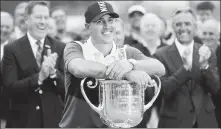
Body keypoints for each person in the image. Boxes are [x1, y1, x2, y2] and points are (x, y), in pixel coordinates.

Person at [59, 1, 165, 128]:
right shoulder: (76, 47)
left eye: (110, 20)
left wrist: (132, 64)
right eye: (99, 21)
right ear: (88, 26)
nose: (107, 26)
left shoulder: (127, 51)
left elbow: (159, 68)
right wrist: (126, 74)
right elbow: (78, 68)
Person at [2, 1, 65, 128]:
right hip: (22, 122)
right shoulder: (12, 49)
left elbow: (68, 89)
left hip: (52, 122)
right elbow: (9, 90)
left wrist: (54, 74)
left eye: (46, 18)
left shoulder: (60, 47)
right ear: (26, 19)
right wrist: (40, 77)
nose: (43, 21)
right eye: (38, 17)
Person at [154, 7, 220, 128]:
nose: (183, 28)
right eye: (178, 24)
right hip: (173, 123)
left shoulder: (207, 52)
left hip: (205, 122)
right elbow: (162, 91)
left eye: (187, 24)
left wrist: (205, 66)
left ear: (195, 28)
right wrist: (184, 69)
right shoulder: (160, 55)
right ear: (173, 28)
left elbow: (215, 88)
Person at [0, 11, 14, 129]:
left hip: (7, 109)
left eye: (7, 27)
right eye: (1, 26)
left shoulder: (17, 49)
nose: (4, 30)